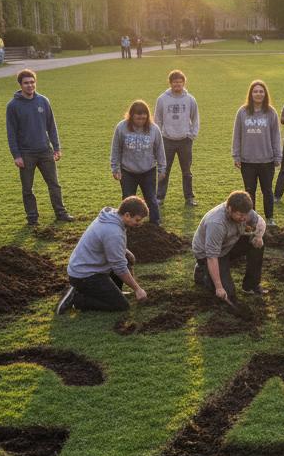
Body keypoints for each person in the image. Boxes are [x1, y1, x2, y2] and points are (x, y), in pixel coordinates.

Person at [5, 69, 75, 226]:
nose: (30, 85)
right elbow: (11, 133)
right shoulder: (13, 106)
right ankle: (32, 218)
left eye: (32, 82)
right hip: (26, 154)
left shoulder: (43, 101)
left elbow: (51, 126)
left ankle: (61, 213)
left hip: (45, 151)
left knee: (54, 184)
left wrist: (56, 147)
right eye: (26, 83)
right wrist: (16, 155)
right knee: (28, 189)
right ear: (20, 85)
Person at [57, 197, 149, 314]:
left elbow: (115, 252)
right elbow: (119, 267)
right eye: (137, 220)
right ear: (127, 215)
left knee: (128, 257)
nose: (139, 224)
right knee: (121, 305)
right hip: (84, 276)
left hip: (88, 267)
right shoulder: (113, 231)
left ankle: (114, 291)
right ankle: (77, 299)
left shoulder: (112, 216)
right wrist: (137, 289)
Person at [192, 190, 266, 300]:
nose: (244, 218)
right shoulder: (216, 223)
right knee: (228, 293)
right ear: (230, 208)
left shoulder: (245, 210)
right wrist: (219, 287)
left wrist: (259, 236)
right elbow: (212, 257)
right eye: (240, 215)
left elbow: (260, 222)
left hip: (229, 243)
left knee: (258, 243)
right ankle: (202, 272)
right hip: (209, 255)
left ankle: (251, 285)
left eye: (246, 214)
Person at [233, 79, 282, 226]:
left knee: (267, 191)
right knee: (249, 192)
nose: (258, 94)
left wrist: (277, 155)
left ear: (265, 94)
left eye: (261, 91)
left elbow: (276, 136)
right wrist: (236, 155)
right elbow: (237, 135)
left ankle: (270, 218)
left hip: (267, 160)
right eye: (255, 91)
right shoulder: (242, 112)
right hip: (247, 160)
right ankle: (251, 219)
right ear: (251, 94)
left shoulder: (271, 112)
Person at [110, 100, 166, 225]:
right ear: (131, 116)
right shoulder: (121, 127)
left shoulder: (154, 129)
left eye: (144, 117)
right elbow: (116, 149)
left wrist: (162, 169)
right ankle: (125, 225)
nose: (141, 120)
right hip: (127, 171)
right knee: (128, 200)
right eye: (138, 117)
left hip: (148, 170)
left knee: (151, 199)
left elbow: (160, 150)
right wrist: (115, 168)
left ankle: (155, 224)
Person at [154, 69, 200, 207]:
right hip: (167, 140)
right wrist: (159, 137)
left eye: (180, 82)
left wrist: (192, 135)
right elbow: (157, 119)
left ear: (184, 83)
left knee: (186, 171)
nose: (177, 85)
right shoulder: (162, 99)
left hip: (185, 141)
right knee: (164, 170)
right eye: (175, 83)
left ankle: (189, 198)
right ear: (170, 83)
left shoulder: (190, 99)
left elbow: (195, 118)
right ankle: (159, 197)